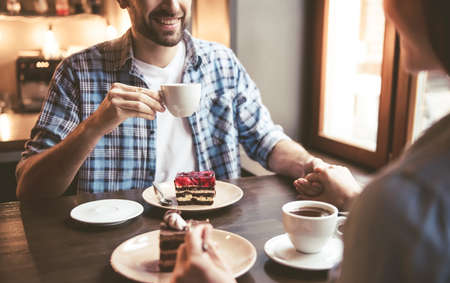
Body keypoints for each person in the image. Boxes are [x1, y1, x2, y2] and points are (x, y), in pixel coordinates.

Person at [164, 0, 450, 283]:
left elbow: (265, 137)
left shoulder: (404, 205)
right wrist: (354, 199)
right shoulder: (405, 200)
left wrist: (314, 167)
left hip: (222, 242)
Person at [15, 0, 326, 202]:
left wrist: (313, 167)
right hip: (115, 241)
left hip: (214, 231)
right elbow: (30, 190)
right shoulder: (78, 72)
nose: (172, 5)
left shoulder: (222, 63)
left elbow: (265, 139)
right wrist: (94, 127)